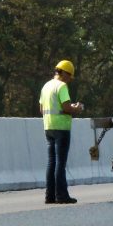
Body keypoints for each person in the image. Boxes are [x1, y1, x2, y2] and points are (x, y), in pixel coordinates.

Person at [39, 60, 84, 204]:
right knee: (60, 163)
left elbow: (41, 109)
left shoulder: (46, 85)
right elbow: (66, 107)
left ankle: (49, 196)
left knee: (51, 162)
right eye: (70, 75)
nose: (70, 79)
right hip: (61, 128)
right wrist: (76, 108)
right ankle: (62, 196)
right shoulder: (62, 86)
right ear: (64, 73)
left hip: (48, 127)